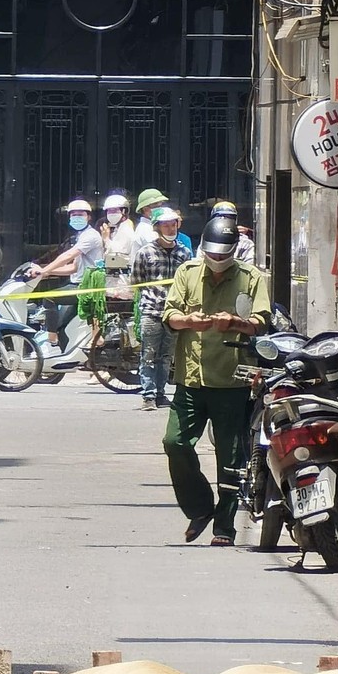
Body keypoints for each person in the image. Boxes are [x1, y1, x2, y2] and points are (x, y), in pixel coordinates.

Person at [163, 214, 271, 547]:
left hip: (232, 380)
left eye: (223, 256)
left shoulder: (252, 278)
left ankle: (224, 526)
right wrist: (188, 321)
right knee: (174, 442)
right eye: (212, 255)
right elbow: (170, 315)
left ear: (234, 252)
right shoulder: (188, 273)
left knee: (231, 457)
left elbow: (261, 322)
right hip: (191, 378)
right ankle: (199, 507)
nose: (217, 262)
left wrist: (235, 323)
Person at [131, 207, 190, 411]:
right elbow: (137, 281)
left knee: (166, 357)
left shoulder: (185, 253)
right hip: (151, 311)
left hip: (174, 314)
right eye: (165, 225)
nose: (170, 228)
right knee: (149, 354)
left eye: (173, 224)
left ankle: (160, 393)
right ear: (157, 227)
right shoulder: (145, 252)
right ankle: (148, 396)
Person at [28, 199, 103, 350]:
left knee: (48, 298)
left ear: (88, 217)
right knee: (60, 325)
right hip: (76, 284)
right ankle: (63, 355)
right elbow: (74, 267)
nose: (76, 217)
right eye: (73, 214)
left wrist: (45, 270)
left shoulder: (90, 236)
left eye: (80, 214)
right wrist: (45, 273)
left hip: (85, 287)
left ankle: (52, 342)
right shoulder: (80, 236)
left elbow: (67, 256)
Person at [130, 188, 169, 266]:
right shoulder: (145, 229)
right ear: (145, 209)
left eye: (161, 204)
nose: (160, 208)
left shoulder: (152, 226)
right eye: (156, 205)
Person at [100, 192, 134, 265]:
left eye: (115, 210)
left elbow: (117, 253)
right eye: (109, 211)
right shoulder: (117, 228)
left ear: (124, 211)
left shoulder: (126, 228)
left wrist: (106, 239)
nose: (111, 214)